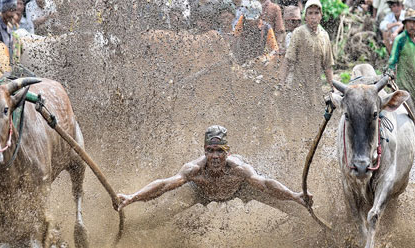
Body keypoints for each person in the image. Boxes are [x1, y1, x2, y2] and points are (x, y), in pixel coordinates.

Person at [115, 125, 312, 213]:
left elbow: (266, 184)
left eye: (219, 151)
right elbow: (165, 185)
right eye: (210, 151)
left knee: (290, 205)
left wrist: (294, 195)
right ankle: (135, 230)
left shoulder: (238, 169)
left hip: (240, 189)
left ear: (228, 152)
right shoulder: (194, 170)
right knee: (158, 217)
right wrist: (132, 197)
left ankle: (311, 220)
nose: (215, 157)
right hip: (201, 193)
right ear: (204, 151)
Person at [280, 0, 334, 109]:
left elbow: (328, 66)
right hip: (298, 85)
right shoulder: (299, 33)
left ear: (321, 16)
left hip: (316, 87)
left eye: (316, 13)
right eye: (310, 13)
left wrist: (333, 87)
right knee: (298, 119)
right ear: (305, 16)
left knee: (315, 118)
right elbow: (288, 60)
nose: (313, 17)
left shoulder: (324, 36)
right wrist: (281, 83)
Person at [388, 8, 415, 115]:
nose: (412, 25)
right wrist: (390, 73)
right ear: (405, 24)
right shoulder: (401, 39)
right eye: (409, 22)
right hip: (403, 84)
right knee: (411, 114)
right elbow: (393, 59)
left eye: (414, 22)